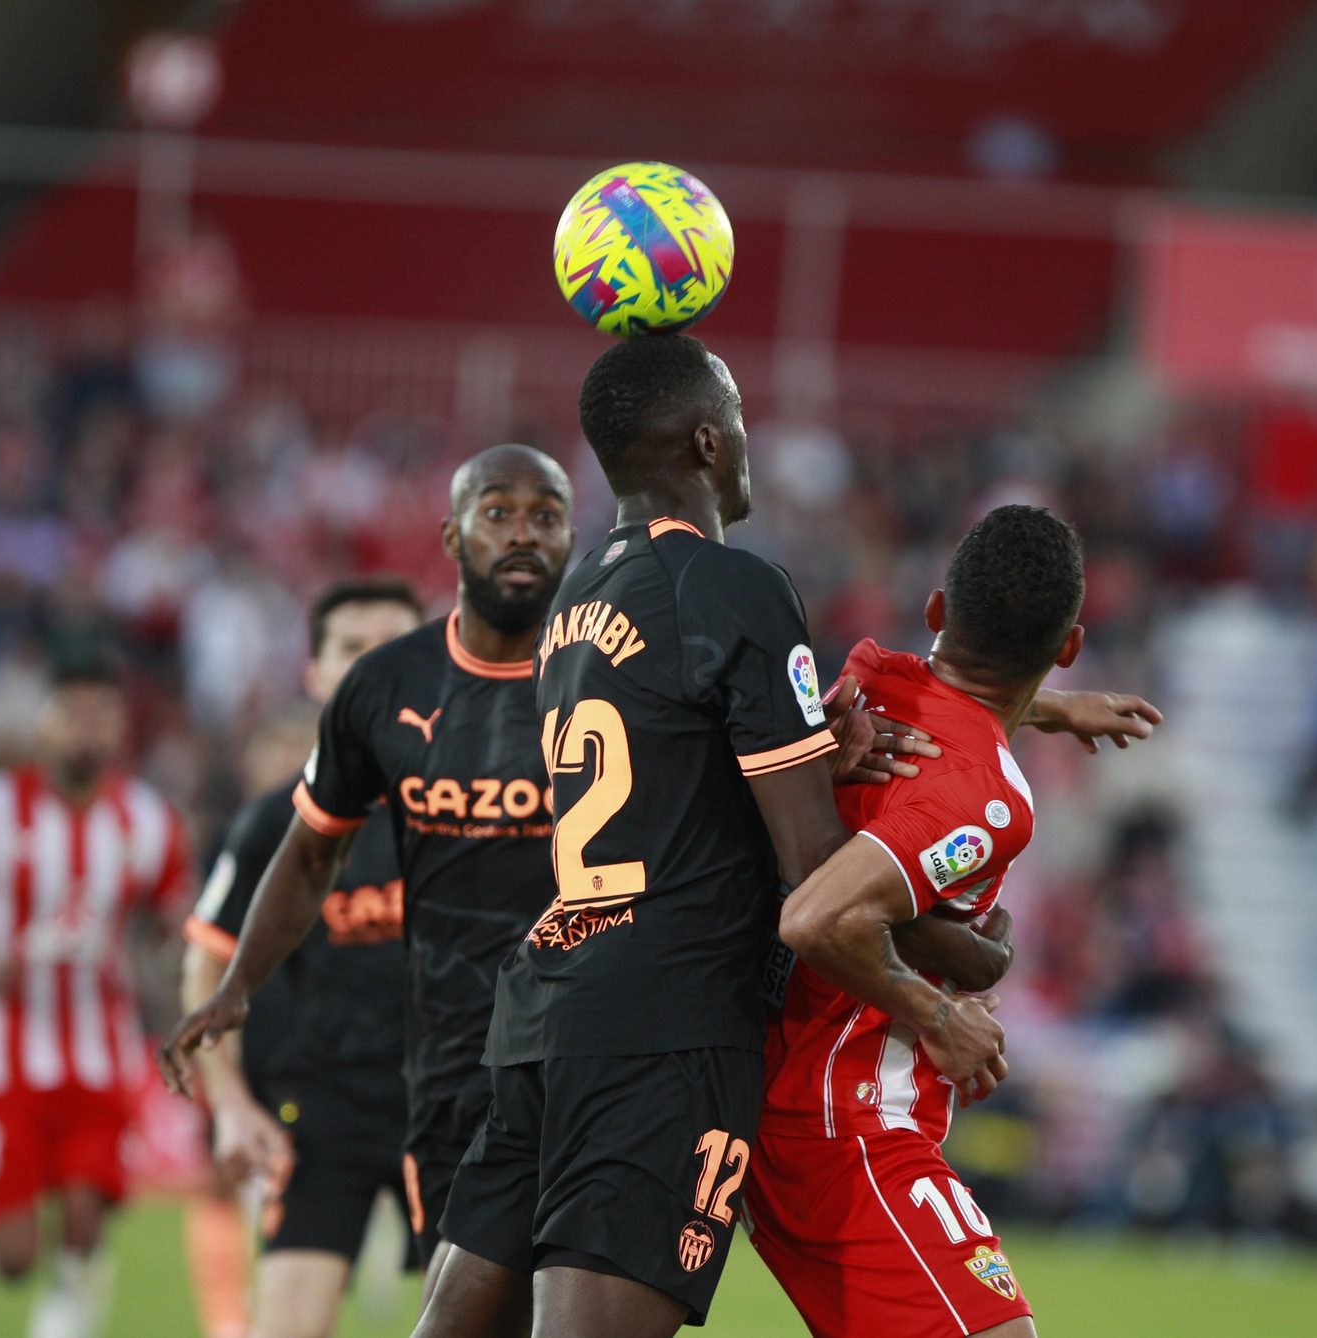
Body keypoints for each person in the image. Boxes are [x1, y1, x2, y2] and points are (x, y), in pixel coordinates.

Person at [414, 333, 1013, 1338]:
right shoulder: (734, 585)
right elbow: (815, 876)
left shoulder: (575, 599)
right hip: (665, 1025)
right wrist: (954, 977)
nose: (746, 443)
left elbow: (665, 784)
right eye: (736, 420)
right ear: (705, 441)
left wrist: (812, 753)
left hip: (546, 1003)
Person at [157, 445, 576, 1281]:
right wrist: (239, 986)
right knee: (471, 1309)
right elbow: (310, 853)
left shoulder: (614, 674)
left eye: (547, 515)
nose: (523, 533)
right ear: (452, 537)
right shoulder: (385, 687)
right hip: (446, 1067)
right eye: (498, 512)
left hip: (582, 1059)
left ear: (573, 537)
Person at [752, 505, 1160, 1338]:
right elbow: (815, 917)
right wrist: (942, 1014)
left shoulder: (869, 676)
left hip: (790, 1091)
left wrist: (1052, 707)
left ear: (938, 608)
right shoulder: (987, 798)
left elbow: (955, 692)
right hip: (849, 1121)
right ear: (1068, 644)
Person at [180, 578, 426, 1338]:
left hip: (458, 1105)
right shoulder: (273, 823)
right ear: (314, 673)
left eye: (395, 646)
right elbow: (205, 962)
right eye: (353, 648)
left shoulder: (489, 803)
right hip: (324, 1109)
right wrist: (230, 1103)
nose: (374, 664)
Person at [0, 658, 194, 1338]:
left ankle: (68, 1311)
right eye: (73, 714)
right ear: (43, 724)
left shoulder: (148, 820)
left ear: (121, 727)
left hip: (100, 1048)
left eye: (102, 714)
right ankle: (10, 1233)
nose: (87, 729)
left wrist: (173, 977)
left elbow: (173, 926)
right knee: (13, 1260)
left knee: (83, 1213)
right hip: (0, 1052)